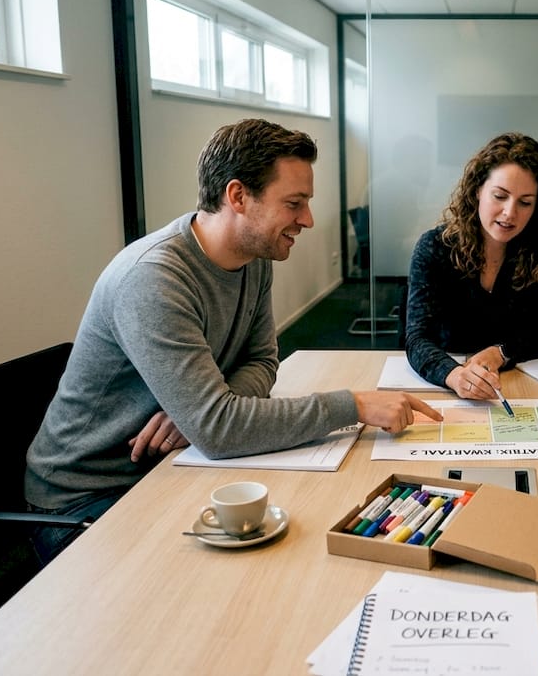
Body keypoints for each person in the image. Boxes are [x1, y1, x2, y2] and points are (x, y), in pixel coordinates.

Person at [25, 119, 442, 562]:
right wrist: (353, 406)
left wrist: (203, 413)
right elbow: (220, 432)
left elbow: (264, 360)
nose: (308, 219)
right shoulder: (154, 279)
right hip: (87, 501)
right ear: (238, 196)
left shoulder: (254, 257)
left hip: (173, 465)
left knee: (308, 528)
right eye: (294, 203)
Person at [404, 132, 538, 400]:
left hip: (517, 382)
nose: (509, 213)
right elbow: (417, 337)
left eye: (525, 202)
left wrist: (499, 352)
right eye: (500, 196)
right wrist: (454, 375)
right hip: (446, 381)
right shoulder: (434, 247)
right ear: (478, 190)